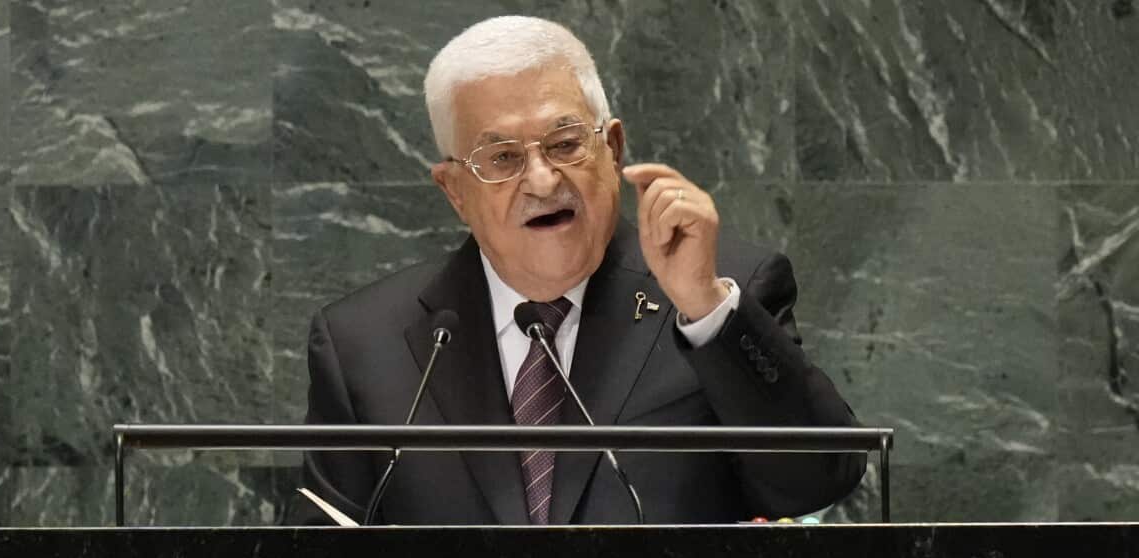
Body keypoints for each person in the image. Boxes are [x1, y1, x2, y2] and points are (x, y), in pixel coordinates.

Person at [301, 16, 863, 525]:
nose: (542, 181)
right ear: (454, 190)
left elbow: (818, 480)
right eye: (502, 158)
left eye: (565, 144)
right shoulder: (363, 345)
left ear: (613, 150)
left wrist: (706, 308)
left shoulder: (719, 296)